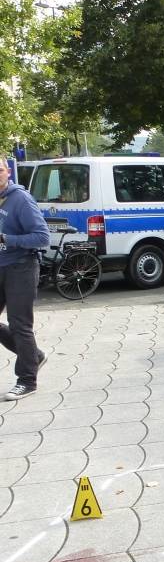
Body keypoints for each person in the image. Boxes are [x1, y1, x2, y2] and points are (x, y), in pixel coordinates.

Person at [0, 161, 50, 400]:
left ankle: (27, 380)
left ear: (7, 172)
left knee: (19, 323)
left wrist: (7, 239)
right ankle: (34, 356)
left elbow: (42, 237)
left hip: (21, 266)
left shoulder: (20, 199)